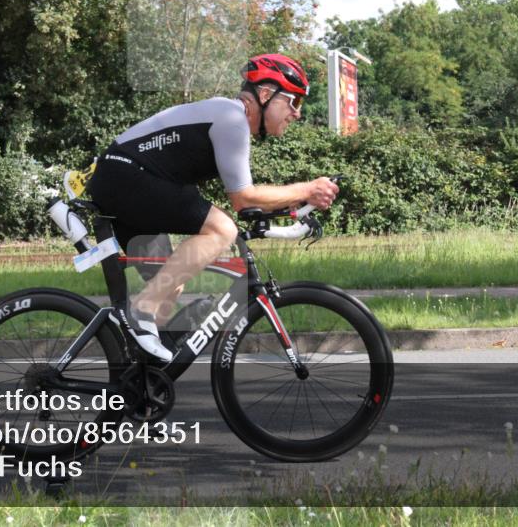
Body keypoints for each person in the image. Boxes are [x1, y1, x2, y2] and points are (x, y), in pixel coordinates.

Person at [86, 54, 339, 362]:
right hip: (124, 176)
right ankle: (140, 314)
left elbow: (249, 199)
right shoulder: (232, 118)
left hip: (126, 178)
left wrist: (297, 202)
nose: (296, 114)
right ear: (264, 94)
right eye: (293, 102)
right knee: (221, 229)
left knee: (168, 289)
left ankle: (138, 384)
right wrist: (305, 189)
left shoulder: (229, 117)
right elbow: (243, 197)